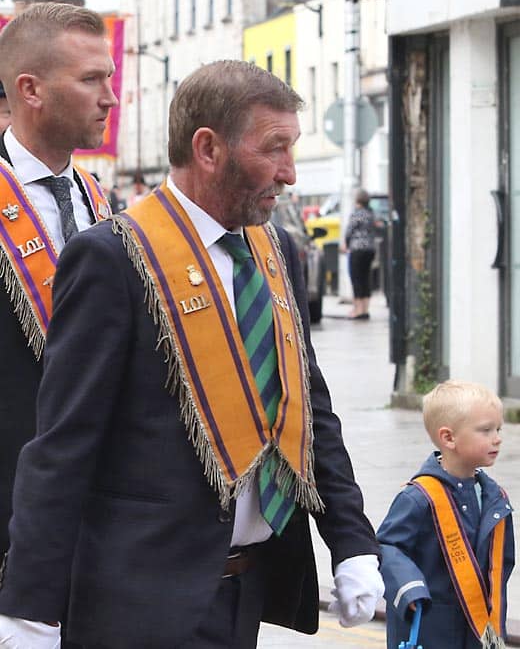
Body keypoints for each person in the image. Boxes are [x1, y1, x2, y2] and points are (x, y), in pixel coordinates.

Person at [0, 60, 383, 649]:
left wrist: (352, 542)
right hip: (137, 602)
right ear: (208, 149)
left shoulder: (278, 248)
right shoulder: (112, 257)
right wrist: (30, 607)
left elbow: (309, 407)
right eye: (273, 148)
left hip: (246, 590)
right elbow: (63, 444)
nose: (289, 172)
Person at [0, 2, 118, 645]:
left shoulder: (100, 201)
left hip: (100, 533)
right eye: (91, 80)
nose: (112, 97)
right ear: (31, 89)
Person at [377, 380, 515, 649]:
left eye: (498, 429)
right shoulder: (418, 498)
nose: (497, 438)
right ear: (448, 438)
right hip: (431, 629)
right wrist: (409, 588)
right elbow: (387, 547)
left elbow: (502, 565)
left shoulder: (495, 498)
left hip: (479, 633)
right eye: (485, 430)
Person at [342, 188, 376, 320]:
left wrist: (346, 243)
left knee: (356, 279)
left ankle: (357, 310)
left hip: (357, 250)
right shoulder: (370, 214)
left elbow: (349, 230)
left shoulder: (357, 214)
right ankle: (365, 309)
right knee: (366, 279)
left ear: (357, 200)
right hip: (369, 250)